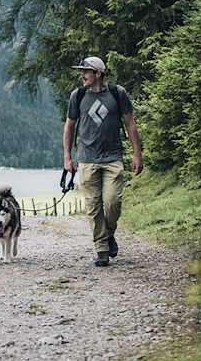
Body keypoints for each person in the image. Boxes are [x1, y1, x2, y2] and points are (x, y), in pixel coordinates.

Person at [62, 56, 143, 266]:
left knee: (112, 203)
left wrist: (137, 154)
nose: (82, 75)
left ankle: (108, 234)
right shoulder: (77, 95)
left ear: (98, 73)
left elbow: (130, 124)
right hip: (87, 159)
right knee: (93, 206)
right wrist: (67, 157)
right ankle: (101, 249)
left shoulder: (117, 93)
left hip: (113, 158)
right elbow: (69, 127)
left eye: (86, 71)